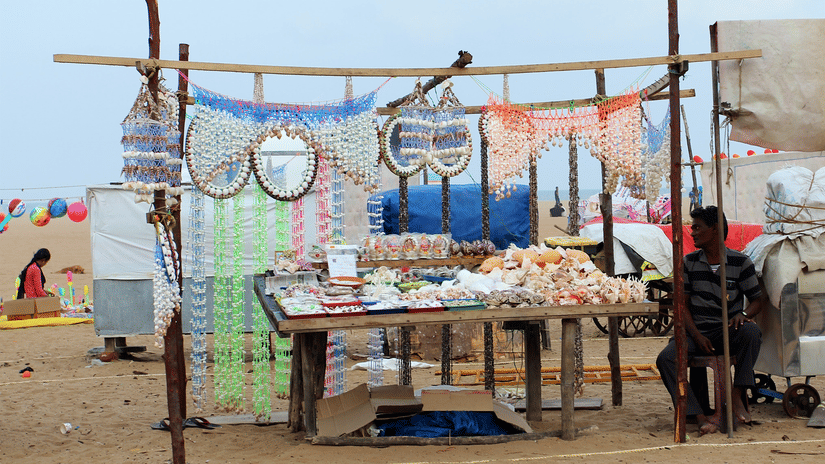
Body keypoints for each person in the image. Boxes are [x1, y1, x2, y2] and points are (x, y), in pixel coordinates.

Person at [656, 206, 765, 435]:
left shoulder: (740, 262)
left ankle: (737, 393)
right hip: (696, 333)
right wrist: (696, 335)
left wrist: (743, 315)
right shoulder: (689, 263)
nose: (692, 233)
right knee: (666, 359)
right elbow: (681, 306)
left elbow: (757, 300)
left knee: (752, 333)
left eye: (697, 228)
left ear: (714, 229)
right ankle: (699, 415)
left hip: (727, 330)